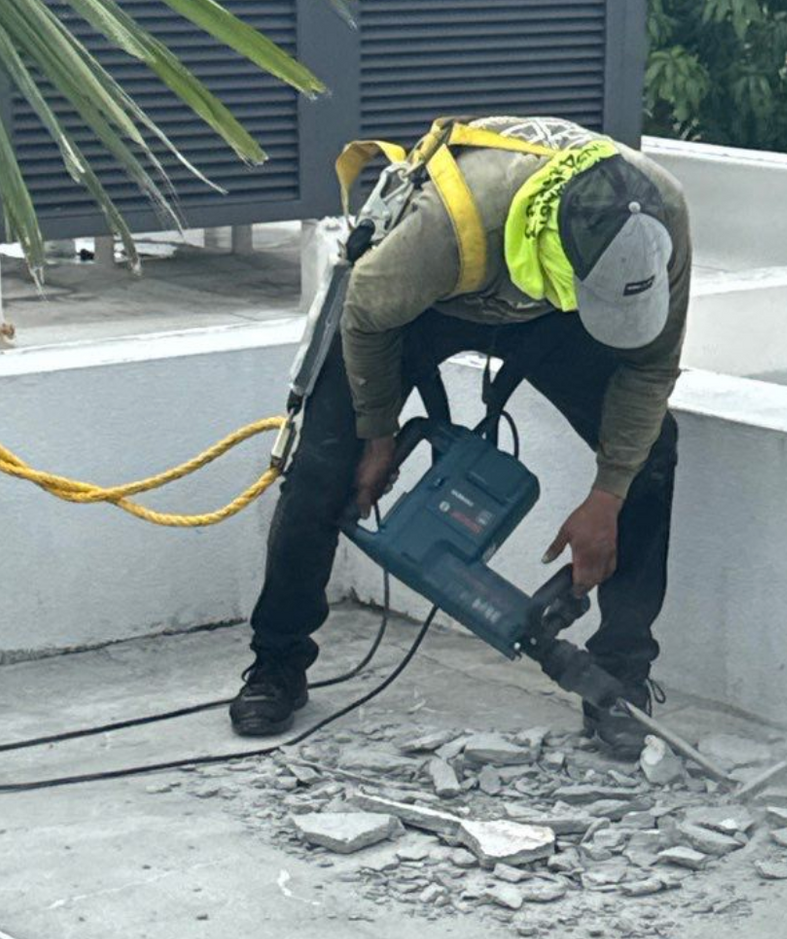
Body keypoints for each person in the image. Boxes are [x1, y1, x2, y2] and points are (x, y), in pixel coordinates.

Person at [231, 115, 691, 758]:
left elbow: (650, 367)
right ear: (553, 252)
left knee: (651, 452)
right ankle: (277, 660)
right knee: (324, 465)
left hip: (551, 309)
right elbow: (364, 314)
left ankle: (619, 676)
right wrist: (380, 433)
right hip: (428, 302)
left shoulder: (661, 213)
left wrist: (609, 495)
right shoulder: (444, 229)